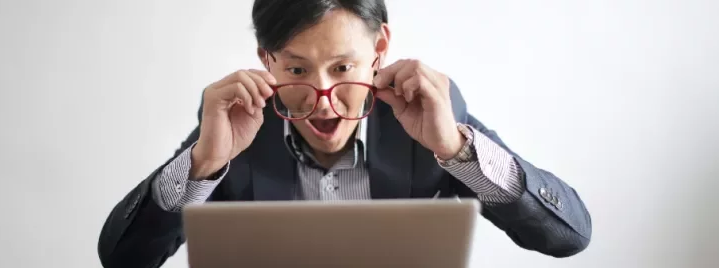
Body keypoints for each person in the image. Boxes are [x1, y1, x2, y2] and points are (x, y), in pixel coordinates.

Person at [97, 0, 592, 267]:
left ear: (380, 49)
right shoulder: (236, 123)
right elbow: (123, 261)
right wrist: (202, 166)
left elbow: (568, 237)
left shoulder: (428, 112)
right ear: (266, 61)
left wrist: (455, 149)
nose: (323, 93)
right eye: (296, 69)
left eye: (343, 66)